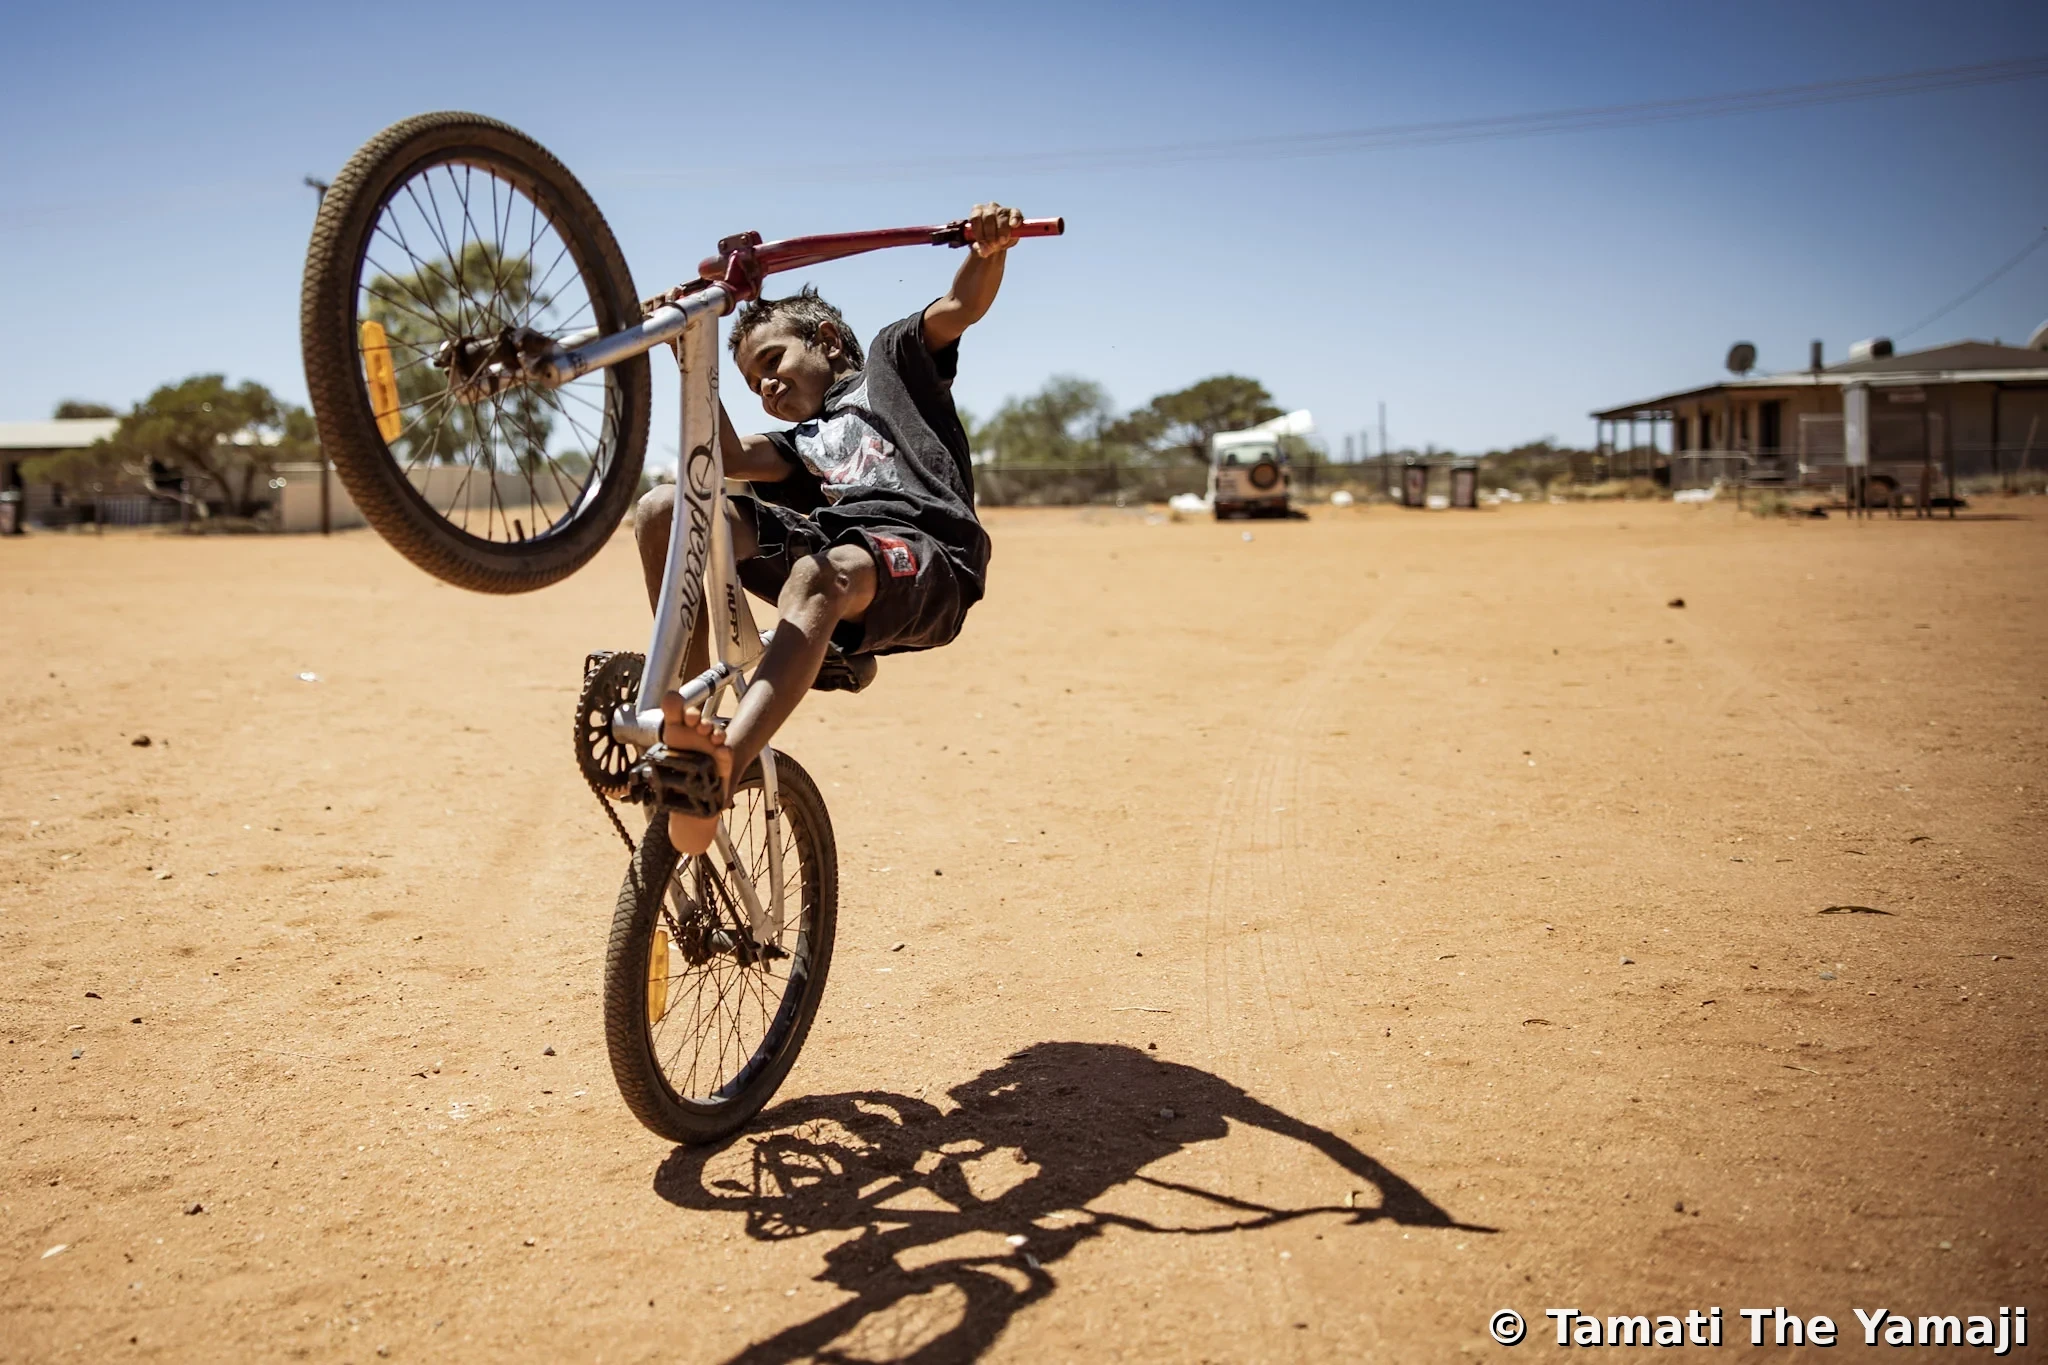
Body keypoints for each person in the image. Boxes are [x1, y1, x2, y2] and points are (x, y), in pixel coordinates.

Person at [633, 202, 1025, 854]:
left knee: (823, 573)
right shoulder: (800, 444)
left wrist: (989, 250)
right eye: (752, 384)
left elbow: (961, 305)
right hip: (840, 551)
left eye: (772, 361)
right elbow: (723, 457)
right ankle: (693, 728)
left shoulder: (892, 360)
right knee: (664, 508)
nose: (764, 386)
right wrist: (687, 351)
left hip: (930, 556)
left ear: (827, 338)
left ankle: (719, 768)